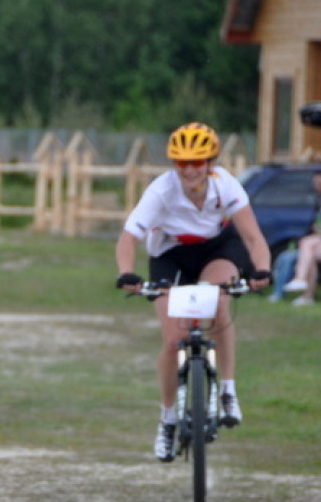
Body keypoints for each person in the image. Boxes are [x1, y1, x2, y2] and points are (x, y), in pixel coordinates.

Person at [115, 122, 272, 462]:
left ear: (210, 162)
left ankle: (227, 391)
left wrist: (263, 270)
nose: (189, 169)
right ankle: (168, 420)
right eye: (182, 162)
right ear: (174, 164)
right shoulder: (161, 191)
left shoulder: (226, 185)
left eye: (197, 161)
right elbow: (128, 238)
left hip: (217, 249)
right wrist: (127, 272)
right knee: (174, 340)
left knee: (218, 303)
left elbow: (253, 238)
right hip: (170, 255)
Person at [282, 169, 321, 305]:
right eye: (315, 182)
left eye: (319, 182)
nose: (316, 185)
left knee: (307, 244)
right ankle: (307, 296)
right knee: (310, 252)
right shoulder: (318, 201)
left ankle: (300, 278)